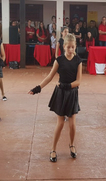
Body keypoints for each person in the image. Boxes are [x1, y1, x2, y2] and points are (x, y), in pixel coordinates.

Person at [28, 34, 82, 162]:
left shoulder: (78, 61)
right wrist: (38, 88)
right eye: (68, 47)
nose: (70, 50)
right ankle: (53, 149)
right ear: (64, 47)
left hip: (71, 92)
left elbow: (79, 81)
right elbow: (49, 77)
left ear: (75, 47)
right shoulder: (59, 60)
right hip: (61, 93)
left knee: (73, 124)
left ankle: (72, 144)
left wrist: (67, 85)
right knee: (60, 123)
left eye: (73, 47)